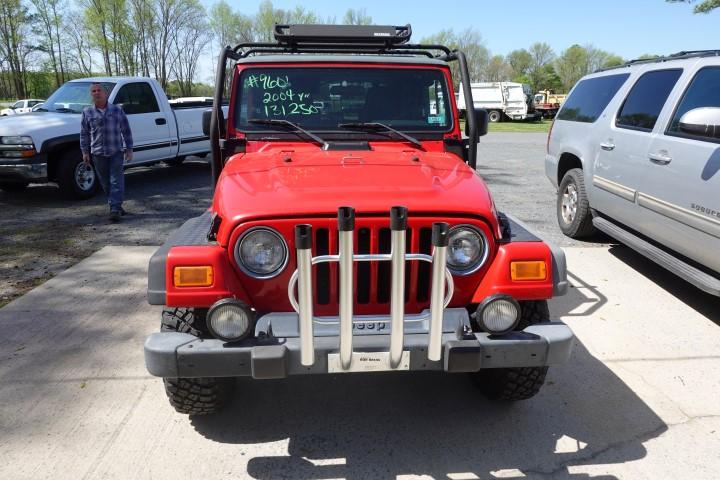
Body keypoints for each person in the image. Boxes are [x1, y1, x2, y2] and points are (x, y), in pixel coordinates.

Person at [80, 83, 133, 222]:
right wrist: (85, 151)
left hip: (115, 151)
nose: (97, 93)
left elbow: (126, 130)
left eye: (99, 90)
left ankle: (114, 209)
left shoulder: (117, 110)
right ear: (91, 94)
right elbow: (84, 133)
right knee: (105, 182)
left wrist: (129, 148)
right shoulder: (87, 112)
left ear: (106, 93)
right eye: (94, 91)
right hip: (97, 153)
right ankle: (116, 205)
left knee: (116, 180)